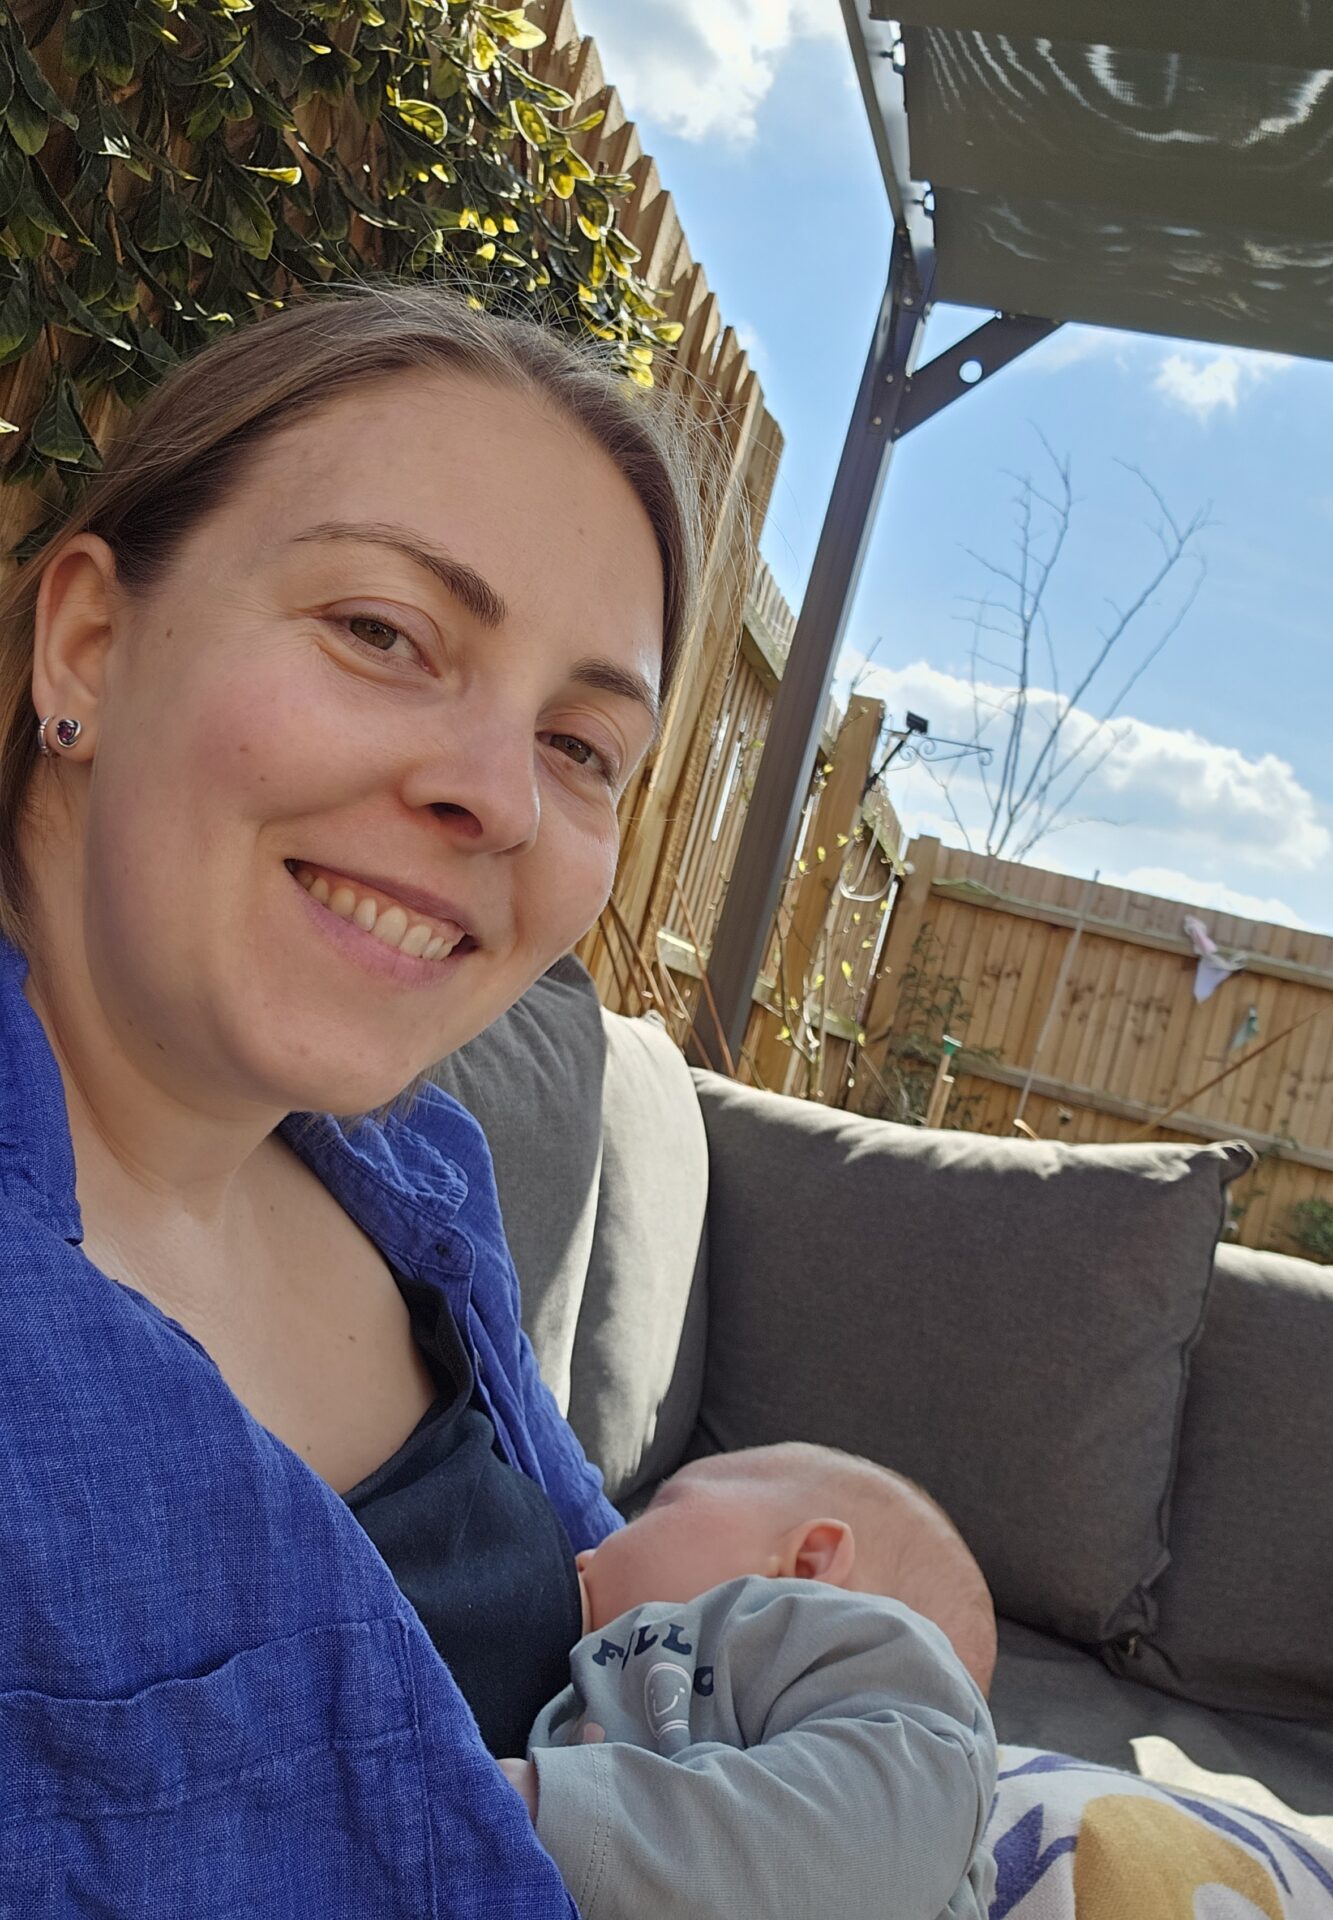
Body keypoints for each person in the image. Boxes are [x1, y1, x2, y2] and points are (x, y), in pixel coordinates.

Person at [0, 284, 705, 1916]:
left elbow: (632, 1616)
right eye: (384, 633)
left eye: (584, 743)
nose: (503, 794)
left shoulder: (418, 1186)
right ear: (89, 642)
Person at [498, 1443, 1000, 1920]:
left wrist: (549, 1807)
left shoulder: (898, 1682)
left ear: (806, 1564)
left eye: (652, 1510)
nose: (588, 1552)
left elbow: (832, 1844)